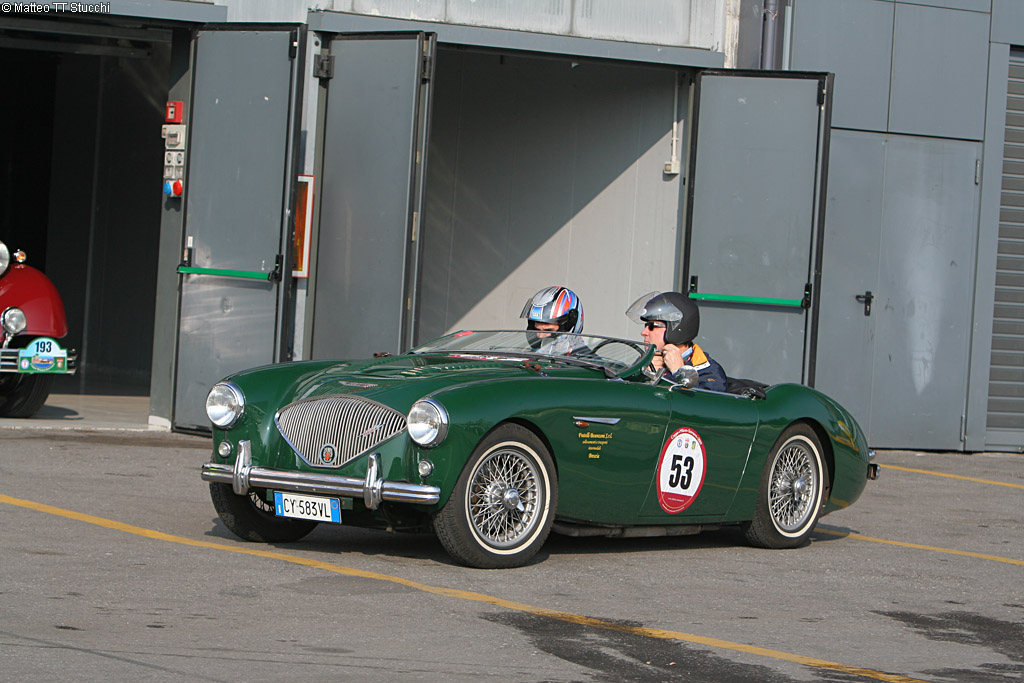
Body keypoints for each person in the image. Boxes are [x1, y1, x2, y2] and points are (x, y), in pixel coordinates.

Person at [625, 291, 728, 391]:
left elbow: (707, 405)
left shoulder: (708, 371)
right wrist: (641, 375)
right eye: (645, 326)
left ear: (677, 328)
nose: (644, 332)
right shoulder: (646, 361)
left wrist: (679, 372)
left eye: (652, 326)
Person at [520, 286, 585, 354]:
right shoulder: (531, 359)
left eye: (548, 330)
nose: (540, 336)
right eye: (536, 329)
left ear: (569, 328)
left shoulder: (586, 362)